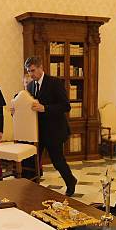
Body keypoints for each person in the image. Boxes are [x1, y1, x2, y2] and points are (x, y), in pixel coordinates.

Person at [24, 56, 77, 196]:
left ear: (41, 67)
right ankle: (32, 188)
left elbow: (66, 106)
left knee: (57, 161)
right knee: (33, 161)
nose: (31, 74)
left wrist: (45, 108)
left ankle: (71, 182)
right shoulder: (30, 86)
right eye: (29, 71)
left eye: (33, 70)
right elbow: (29, 107)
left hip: (55, 130)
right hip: (37, 132)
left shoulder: (55, 82)